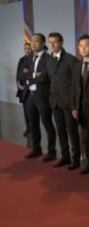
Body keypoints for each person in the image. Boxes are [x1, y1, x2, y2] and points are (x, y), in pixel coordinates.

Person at [21, 33, 57, 161]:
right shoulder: (29, 58)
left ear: (43, 43)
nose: (33, 44)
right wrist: (35, 75)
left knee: (47, 124)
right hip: (30, 96)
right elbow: (22, 74)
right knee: (33, 124)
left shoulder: (49, 59)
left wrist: (31, 75)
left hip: (42, 96)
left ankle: (52, 151)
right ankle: (36, 149)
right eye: (32, 41)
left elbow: (46, 77)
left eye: (36, 41)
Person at [47, 32, 81, 169]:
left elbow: (77, 83)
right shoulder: (49, 60)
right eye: (50, 42)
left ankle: (76, 160)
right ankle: (65, 157)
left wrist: (75, 104)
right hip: (55, 102)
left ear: (61, 42)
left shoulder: (71, 59)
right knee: (60, 131)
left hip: (68, 103)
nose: (52, 45)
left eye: (54, 42)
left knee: (72, 131)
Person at [71, 34, 89, 176]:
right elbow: (74, 89)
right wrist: (74, 107)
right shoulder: (77, 65)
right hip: (81, 110)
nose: (83, 49)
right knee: (85, 139)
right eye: (80, 46)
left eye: (86, 46)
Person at [16, 42, 33, 137]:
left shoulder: (34, 59)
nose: (27, 50)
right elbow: (18, 74)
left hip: (31, 89)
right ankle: (28, 128)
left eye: (29, 48)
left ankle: (34, 129)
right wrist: (18, 84)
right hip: (23, 90)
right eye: (25, 48)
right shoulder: (21, 60)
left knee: (32, 112)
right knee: (26, 111)